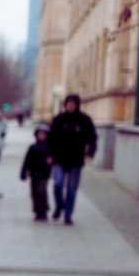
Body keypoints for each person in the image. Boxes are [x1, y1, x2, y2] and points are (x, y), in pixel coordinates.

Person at [48, 94, 97, 225]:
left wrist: (91, 151)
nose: (70, 105)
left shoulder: (84, 120)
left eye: (73, 103)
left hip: (76, 159)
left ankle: (68, 214)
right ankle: (59, 206)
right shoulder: (58, 119)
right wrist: (50, 155)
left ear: (77, 105)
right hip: (58, 158)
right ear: (65, 105)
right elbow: (50, 138)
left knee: (71, 188)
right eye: (68, 103)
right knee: (57, 185)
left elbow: (92, 137)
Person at [20, 128, 52, 222]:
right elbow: (26, 161)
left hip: (44, 174)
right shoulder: (32, 147)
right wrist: (24, 172)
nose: (41, 136)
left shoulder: (49, 147)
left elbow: (53, 159)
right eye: (39, 134)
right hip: (34, 174)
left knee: (42, 192)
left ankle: (44, 212)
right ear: (36, 135)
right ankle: (37, 212)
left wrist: (51, 162)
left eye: (43, 134)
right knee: (34, 193)